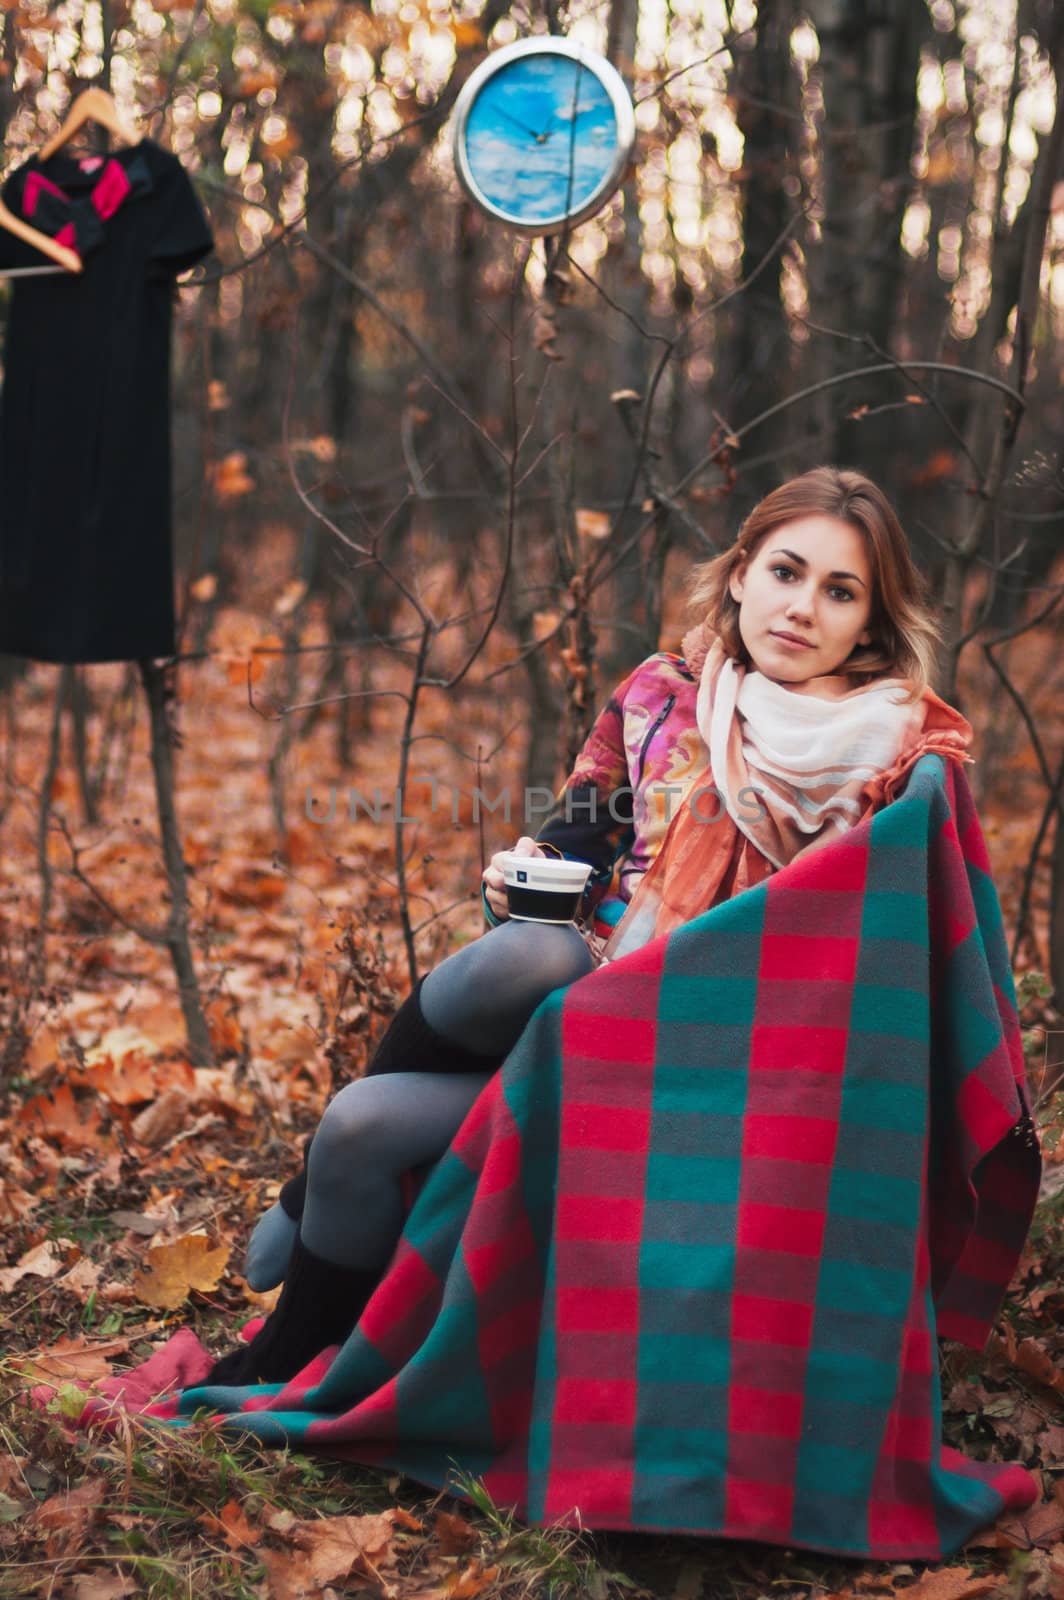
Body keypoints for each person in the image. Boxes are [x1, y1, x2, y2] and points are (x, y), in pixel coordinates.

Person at [207, 466, 973, 1386]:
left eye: (839, 591)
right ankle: (278, 1362)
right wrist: (516, 876)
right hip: (583, 998)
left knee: (525, 968)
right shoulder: (664, 688)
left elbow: (880, 947)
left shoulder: (892, 750)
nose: (803, 607)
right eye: (785, 571)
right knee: (365, 1114)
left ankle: (312, 1312)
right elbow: (582, 832)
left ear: (870, 622)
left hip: (723, 1050)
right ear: (739, 575)